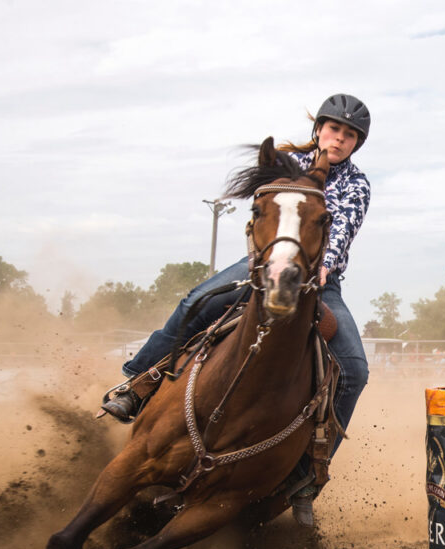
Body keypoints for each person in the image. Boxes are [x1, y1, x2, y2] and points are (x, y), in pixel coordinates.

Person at [101, 94, 373, 524]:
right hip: (264, 265)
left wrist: (323, 269)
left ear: (357, 143)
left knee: (355, 370)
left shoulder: (356, 184)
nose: (339, 138)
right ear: (319, 128)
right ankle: (138, 385)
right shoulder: (287, 165)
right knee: (196, 301)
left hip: (319, 279)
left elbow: (341, 230)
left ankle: (307, 475)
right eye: (334, 129)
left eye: (350, 134)